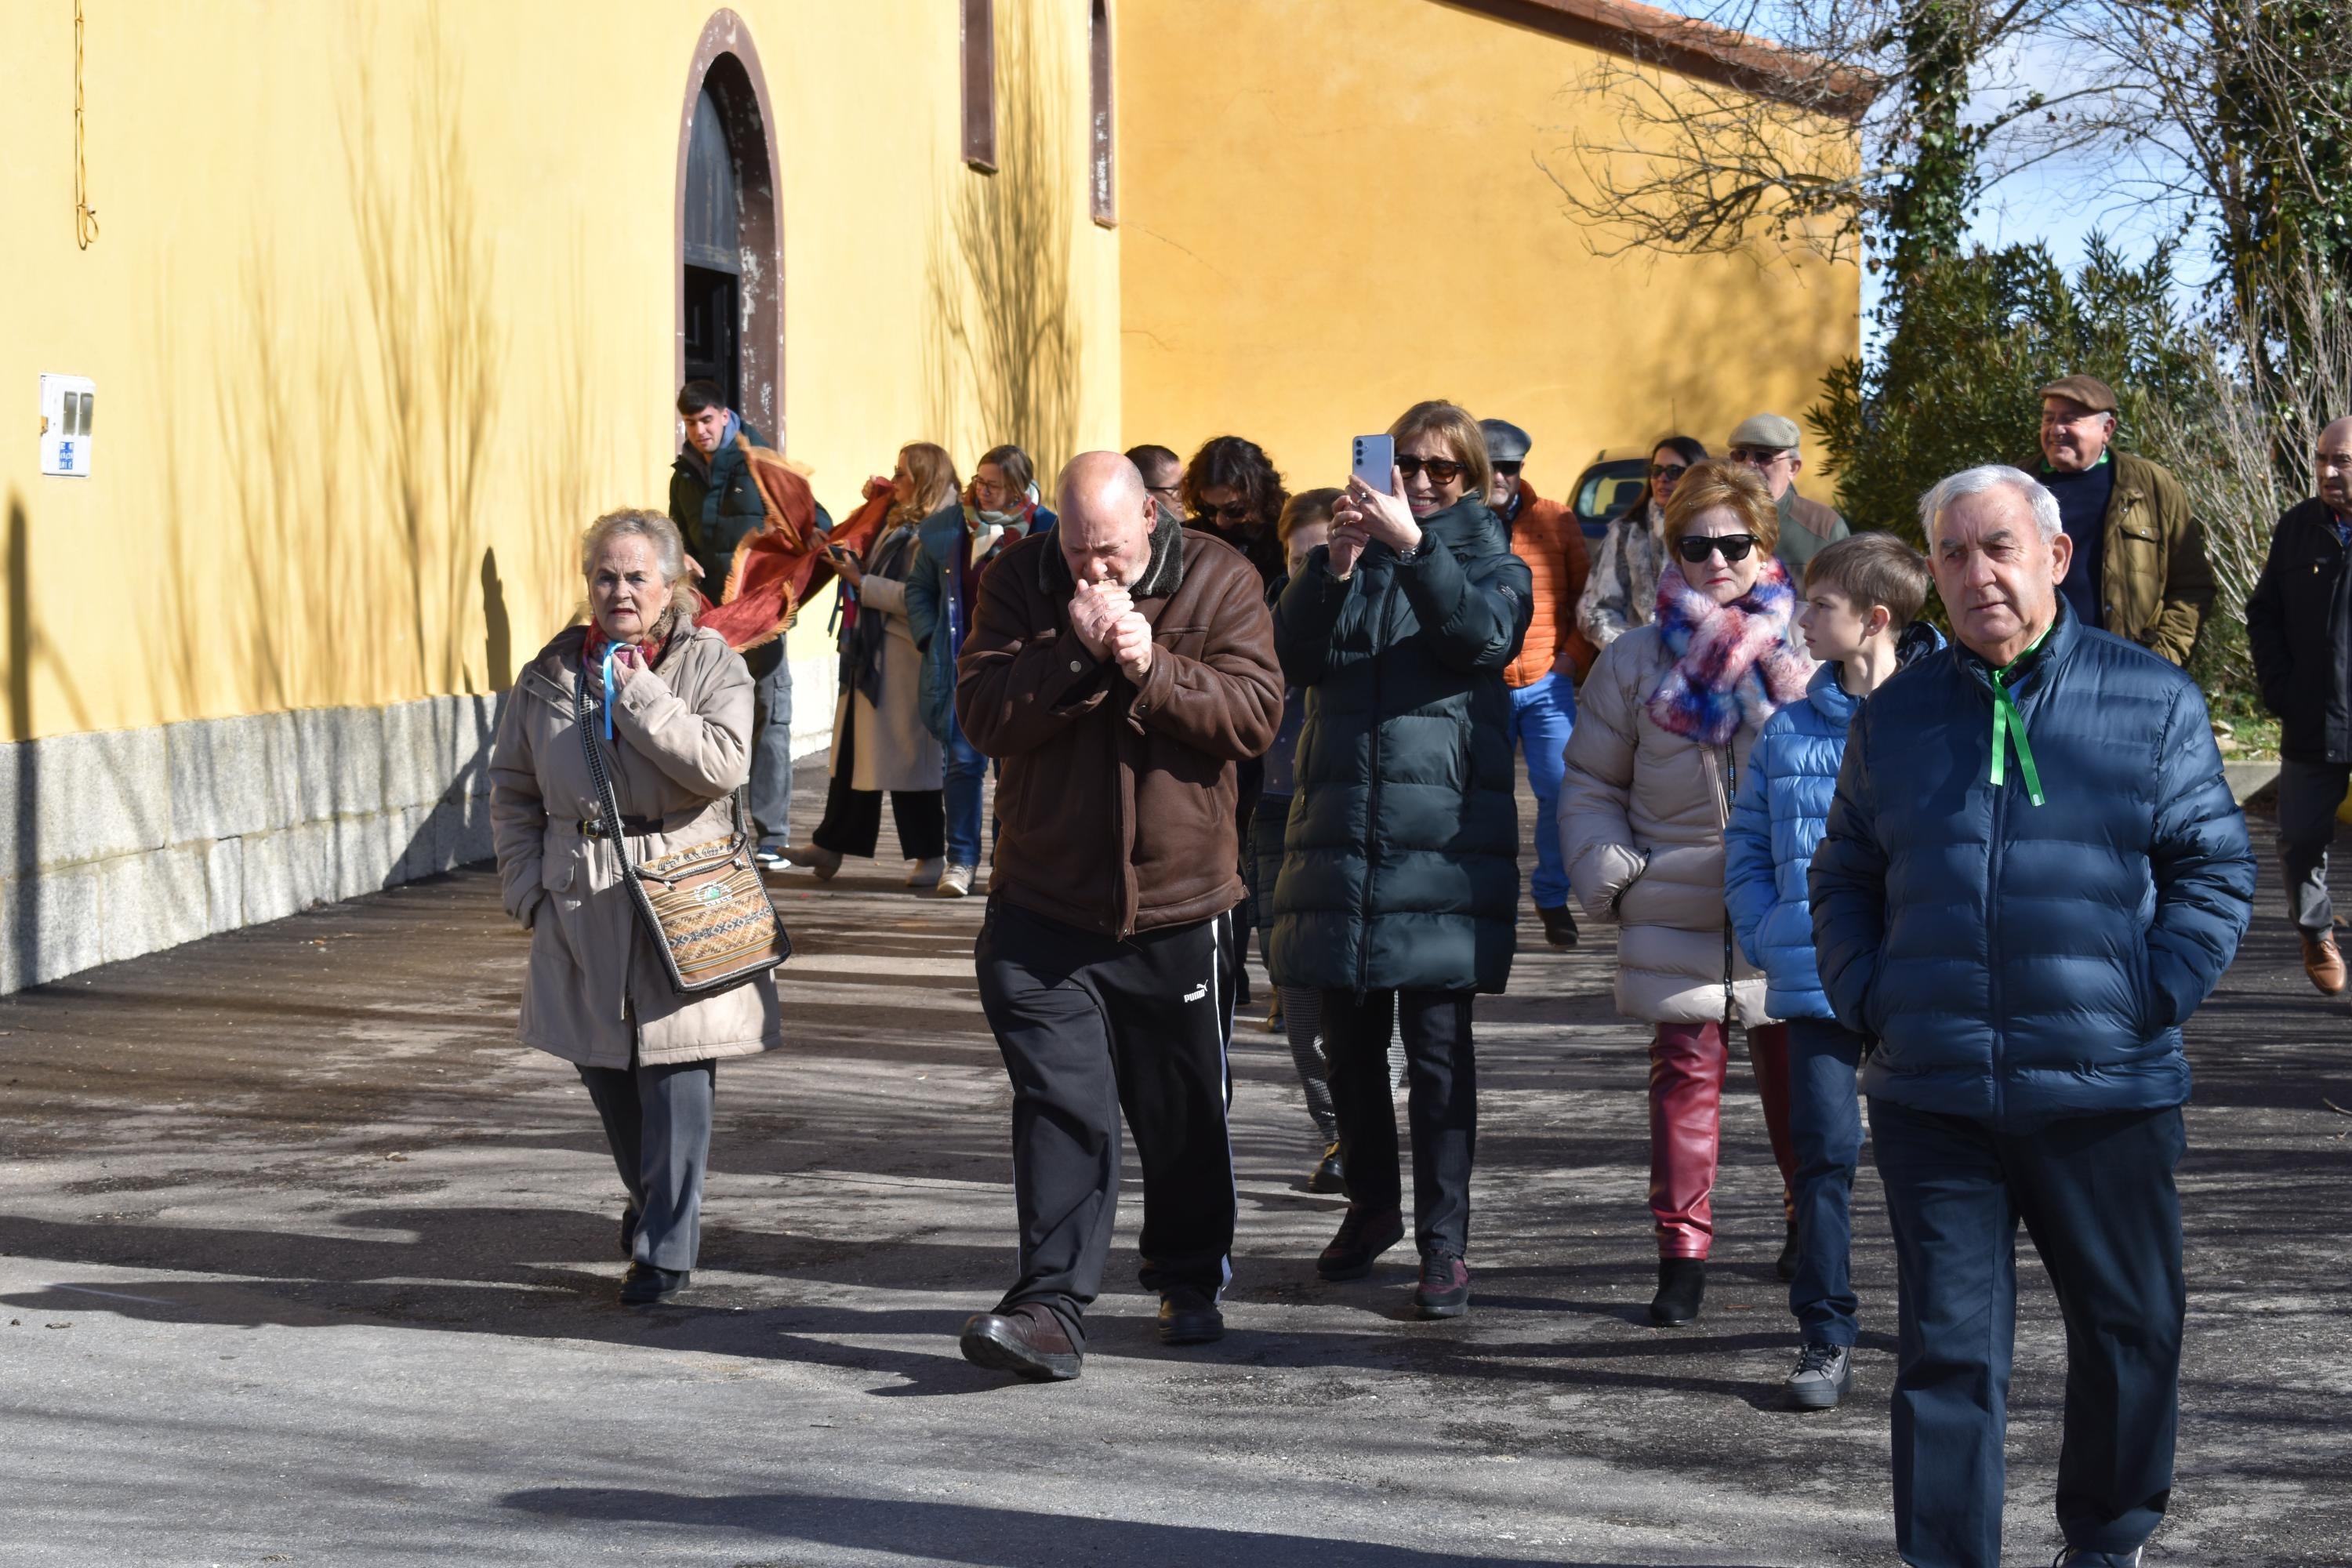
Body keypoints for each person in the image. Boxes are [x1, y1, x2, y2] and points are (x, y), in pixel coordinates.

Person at [1811, 465, 2253, 1568]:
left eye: (1998, 548)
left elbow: (2212, 868)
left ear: (2055, 557)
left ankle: (2107, 1541)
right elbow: (1843, 873)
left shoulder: (2150, 700)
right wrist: (1873, 995)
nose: (1977, 576)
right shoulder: (1897, 714)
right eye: (1953, 555)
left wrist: (2148, 997)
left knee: (2131, 1332)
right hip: (1935, 1092)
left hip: (2105, 1089)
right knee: (1949, 1357)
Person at [953, 452, 1282, 1381]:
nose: (1095, 571)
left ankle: (1187, 1274)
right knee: (1062, 1106)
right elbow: (982, 713)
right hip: (1043, 901)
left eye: (1112, 552)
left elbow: (1255, 716)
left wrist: (1151, 664)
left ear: (1150, 515)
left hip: (1178, 903)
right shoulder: (1020, 578)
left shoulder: (1222, 577)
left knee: (1181, 1111)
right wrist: (1073, 650)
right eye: (1079, 549)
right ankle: (1050, 1307)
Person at [1271, 400, 1532, 1321]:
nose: (1419, 481)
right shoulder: (1353, 558)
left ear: (1472, 478)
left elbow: (1481, 638)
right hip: (1344, 835)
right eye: (1405, 465)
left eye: (1441, 469)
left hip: (1440, 846)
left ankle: (1445, 1240)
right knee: (1347, 1044)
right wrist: (1333, 566)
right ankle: (1372, 1206)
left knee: (1438, 1052)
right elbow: (1294, 655)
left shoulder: (1495, 559)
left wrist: (1415, 546)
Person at [487, 509, 782, 1306]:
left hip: (685, 884)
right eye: (604, 576)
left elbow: (722, 762)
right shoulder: (550, 670)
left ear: (674, 584)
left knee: (678, 1077)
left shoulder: (710, 661)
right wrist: (526, 887)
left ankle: (665, 1249)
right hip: (580, 892)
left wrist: (640, 691)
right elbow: (512, 785)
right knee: (607, 1069)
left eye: (636, 576)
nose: (619, 591)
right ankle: (654, 1198)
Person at [1558, 459, 1811, 1327]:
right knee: (1684, 1078)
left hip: (1785, 899)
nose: (1715, 561)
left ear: (1763, 545)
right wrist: (1609, 865)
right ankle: (1682, 1256)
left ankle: (1807, 1223)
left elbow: (1851, 770)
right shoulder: (1632, 658)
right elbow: (1590, 778)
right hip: (1676, 891)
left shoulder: (1804, 647)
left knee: (1799, 1077)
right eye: (1695, 545)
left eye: (1734, 544)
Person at [1724, 532, 1937, 1410]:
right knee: (1820, 1158)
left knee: (1932, 1162)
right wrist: (1770, 929)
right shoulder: (1787, 727)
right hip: (1811, 971)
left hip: (1923, 979)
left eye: (1819, 604)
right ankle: (1825, 1332)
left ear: (1875, 619)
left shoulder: (1942, 717)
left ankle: (1937, 1325)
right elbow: (1745, 842)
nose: (1800, 617)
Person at [666, 379, 825, 872]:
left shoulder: (761, 465)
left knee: (769, 719)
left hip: (760, 620)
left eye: (706, 421)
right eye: (690, 424)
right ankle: (715, 830)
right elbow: (674, 531)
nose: (699, 432)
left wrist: (794, 552)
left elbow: (812, 520)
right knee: (705, 720)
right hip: (708, 620)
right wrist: (680, 556)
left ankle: (772, 837)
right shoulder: (683, 475)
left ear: (725, 415)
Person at [907, 444, 1058, 899]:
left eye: (994, 485)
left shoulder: (1046, 528)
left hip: (1023, 670)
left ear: (1017, 488)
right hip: (961, 665)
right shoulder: (948, 529)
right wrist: (929, 636)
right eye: (979, 481)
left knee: (1012, 767)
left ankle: (1006, 861)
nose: (982, 491)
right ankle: (961, 860)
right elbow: (918, 589)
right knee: (963, 764)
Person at [804, 443, 955, 887]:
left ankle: (930, 854)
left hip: (905, 656)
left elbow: (922, 598)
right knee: (853, 754)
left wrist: (861, 581)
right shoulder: (900, 519)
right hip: (872, 654)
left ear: (925, 479)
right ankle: (830, 844)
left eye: (903, 473)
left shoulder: (938, 529)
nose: (894, 479)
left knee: (910, 763)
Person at [1254, 488, 1344, 1187]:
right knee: (1295, 994)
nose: (1310, 570)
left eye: (1324, 555)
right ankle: (1336, 1133)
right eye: (1296, 558)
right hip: (1270, 814)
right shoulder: (1257, 621)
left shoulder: (1374, 616)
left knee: (1361, 998)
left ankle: (1360, 1128)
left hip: (1347, 817)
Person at [2248, 416, 2352, 994]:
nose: (2327, 472)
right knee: (2299, 838)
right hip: (2312, 716)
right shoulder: (2298, 528)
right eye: (2321, 460)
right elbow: (2263, 612)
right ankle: (2315, 932)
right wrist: (2280, 687)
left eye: (2342, 461)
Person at [1482, 416, 1592, 949]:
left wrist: (1571, 659)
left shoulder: (1555, 518)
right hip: (1482, 687)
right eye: (1491, 466)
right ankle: (1491, 900)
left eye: (1510, 466)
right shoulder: (1453, 523)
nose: (1501, 476)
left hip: (1547, 682)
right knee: (1484, 799)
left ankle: (1552, 898)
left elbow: (1587, 599)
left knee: (1560, 791)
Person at [2037, 373, 2212, 665]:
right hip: (2035, 670)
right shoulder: (2018, 486)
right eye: (2048, 418)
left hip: (2124, 669)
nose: (2056, 429)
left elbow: (2192, 585)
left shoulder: (2151, 486)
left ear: (2107, 429)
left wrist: (2161, 660)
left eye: (2070, 419)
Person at [1578, 435, 1708, 652]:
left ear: (1695, 476)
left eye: (1674, 471)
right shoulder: (1627, 532)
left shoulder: (1716, 532)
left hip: (1702, 667)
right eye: (1656, 470)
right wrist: (1633, 653)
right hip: (1642, 670)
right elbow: (1596, 608)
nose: (1662, 479)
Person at [1726, 412, 1849, 575]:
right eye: (1740, 455)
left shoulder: (1824, 527)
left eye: (1763, 456)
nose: (1748, 464)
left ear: (1793, 468)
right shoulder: (1708, 519)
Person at [1127, 443, 1185, 527]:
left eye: (1185, 486)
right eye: (1176, 488)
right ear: (1144, 494)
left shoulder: (1196, 535)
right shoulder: (1119, 537)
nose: (1185, 495)